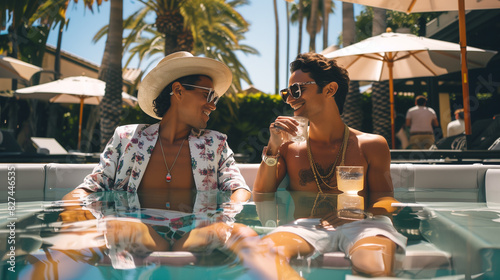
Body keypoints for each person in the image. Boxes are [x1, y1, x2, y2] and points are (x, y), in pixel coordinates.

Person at [62, 51, 252, 250]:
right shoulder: (128, 137)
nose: (213, 106)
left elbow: (238, 188)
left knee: (246, 236)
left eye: (216, 98)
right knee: (71, 241)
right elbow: (93, 185)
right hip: (133, 232)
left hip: (196, 234)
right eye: (208, 95)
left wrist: (222, 219)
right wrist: (72, 205)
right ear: (178, 91)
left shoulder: (215, 143)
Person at [250, 53, 406, 277]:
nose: (289, 99)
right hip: (304, 227)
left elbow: (386, 201)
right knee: (264, 257)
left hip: (364, 224)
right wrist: (273, 147)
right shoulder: (288, 147)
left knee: (377, 269)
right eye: (286, 93)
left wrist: (360, 212)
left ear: (330, 90)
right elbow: (262, 195)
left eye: (296, 90)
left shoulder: (370, 145)